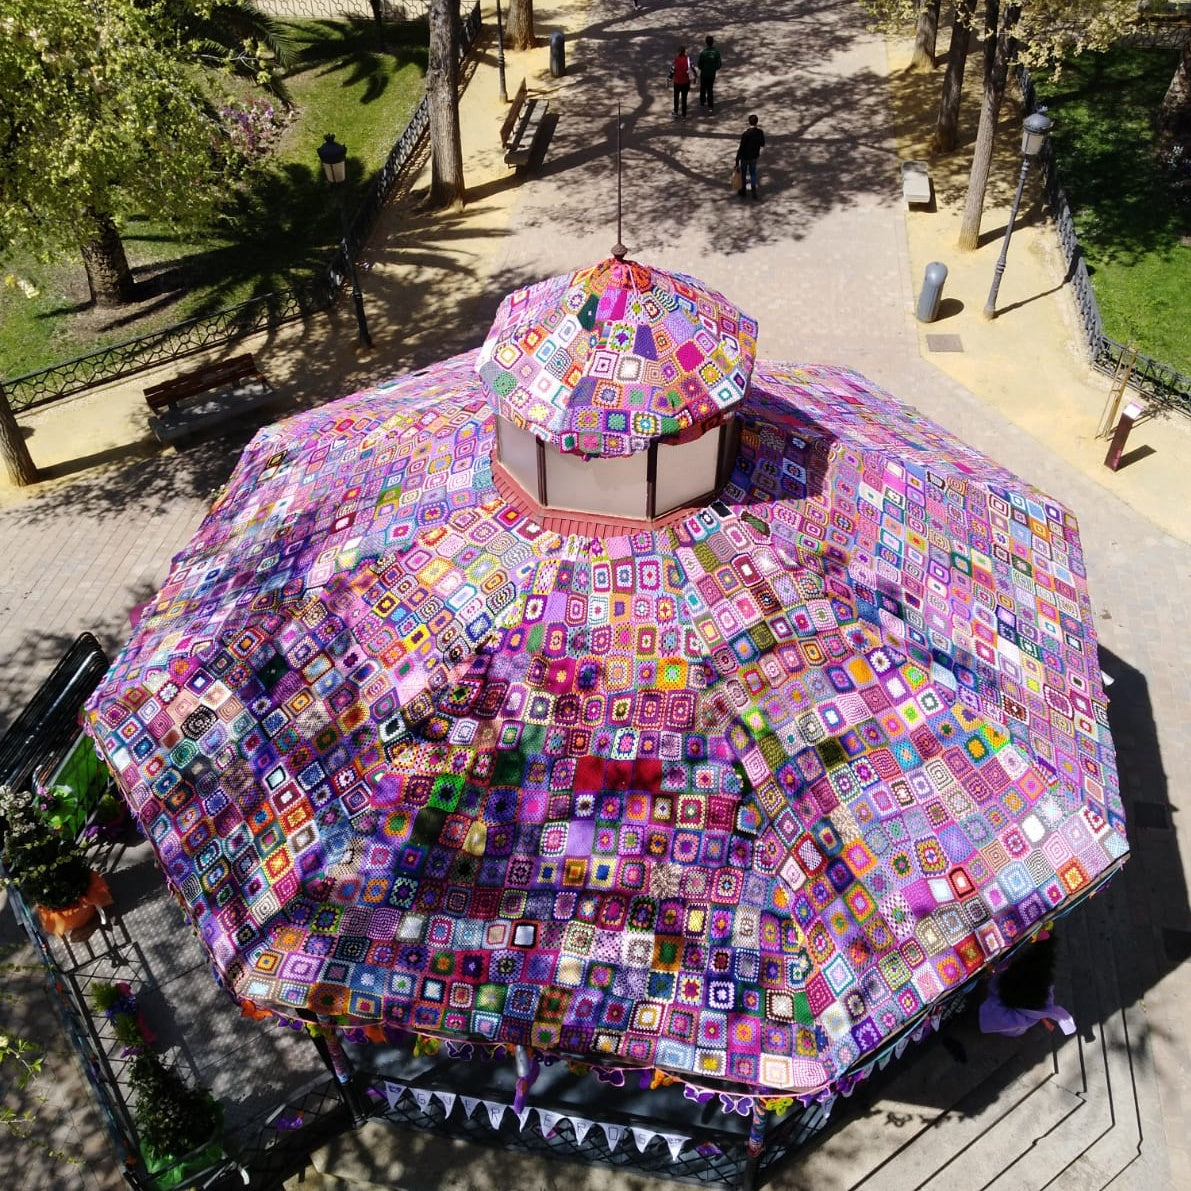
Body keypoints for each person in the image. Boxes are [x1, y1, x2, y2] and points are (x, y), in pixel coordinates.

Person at [735, 113, 765, 199]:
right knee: (753, 173)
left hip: (745, 156)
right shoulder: (760, 132)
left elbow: (741, 147)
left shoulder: (746, 134)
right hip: (754, 156)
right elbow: (762, 144)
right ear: (757, 122)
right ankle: (753, 190)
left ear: (749, 122)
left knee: (744, 173)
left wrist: (737, 158)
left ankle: (743, 190)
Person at [698, 36, 722, 113]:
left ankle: (702, 101)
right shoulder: (716, 52)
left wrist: (702, 68)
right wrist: (715, 68)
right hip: (712, 74)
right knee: (710, 89)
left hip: (704, 73)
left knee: (703, 88)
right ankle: (710, 106)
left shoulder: (703, 53)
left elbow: (699, 64)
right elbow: (719, 64)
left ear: (706, 42)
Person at [670, 45, 695, 118]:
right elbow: (692, 68)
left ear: (678, 52)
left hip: (677, 82)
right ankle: (684, 114)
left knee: (676, 97)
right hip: (685, 82)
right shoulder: (688, 60)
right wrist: (694, 77)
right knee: (684, 98)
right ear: (684, 52)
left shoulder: (676, 60)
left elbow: (672, 70)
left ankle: (676, 112)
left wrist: (669, 78)